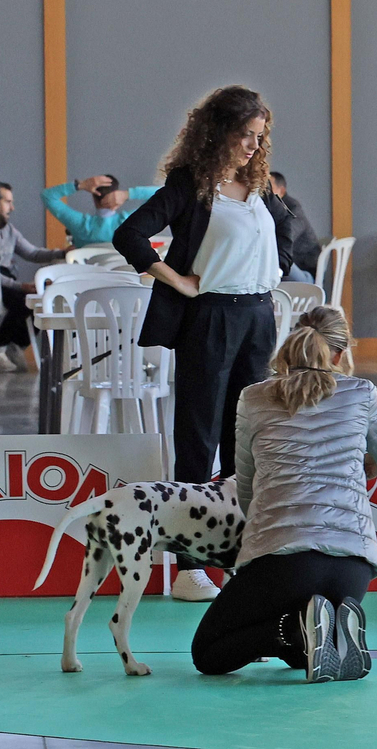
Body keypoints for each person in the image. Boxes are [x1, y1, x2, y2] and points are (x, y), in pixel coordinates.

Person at [114, 85, 295, 602]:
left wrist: (272, 273)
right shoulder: (190, 185)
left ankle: (238, 551)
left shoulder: (258, 188)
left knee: (246, 440)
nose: (253, 148)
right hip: (210, 319)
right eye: (245, 136)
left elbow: (289, 234)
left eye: (260, 138)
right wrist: (176, 280)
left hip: (257, 317)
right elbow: (130, 234)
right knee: (197, 439)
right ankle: (189, 569)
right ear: (218, 133)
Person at [191, 307, 377, 682]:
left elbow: (246, 489)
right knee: (304, 654)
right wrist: (366, 459)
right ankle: (322, 631)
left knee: (209, 652)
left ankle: (293, 630)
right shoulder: (361, 393)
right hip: (353, 568)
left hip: (282, 560)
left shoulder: (253, 398)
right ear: (339, 354)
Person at [0, 181, 67, 372]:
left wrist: (61, 253)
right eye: (8, 202)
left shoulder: (9, 230)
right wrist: (19, 286)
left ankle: (16, 345)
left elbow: (32, 253)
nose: (12, 207)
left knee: (41, 300)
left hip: (6, 283)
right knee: (23, 301)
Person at [41, 173, 157, 247]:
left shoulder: (80, 225)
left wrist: (81, 185)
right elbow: (164, 192)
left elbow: (48, 196)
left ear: (93, 195)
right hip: (124, 280)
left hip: (88, 281)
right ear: (117, 194)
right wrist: (128, 194)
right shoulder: (131, 222)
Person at [270, 171, 322, 283]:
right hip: (293, 267)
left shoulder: (293, 208)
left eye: (270, 188)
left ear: (282, 191)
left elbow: (287, 236)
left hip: (306, 272)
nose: (265, 193)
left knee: (272, 259)